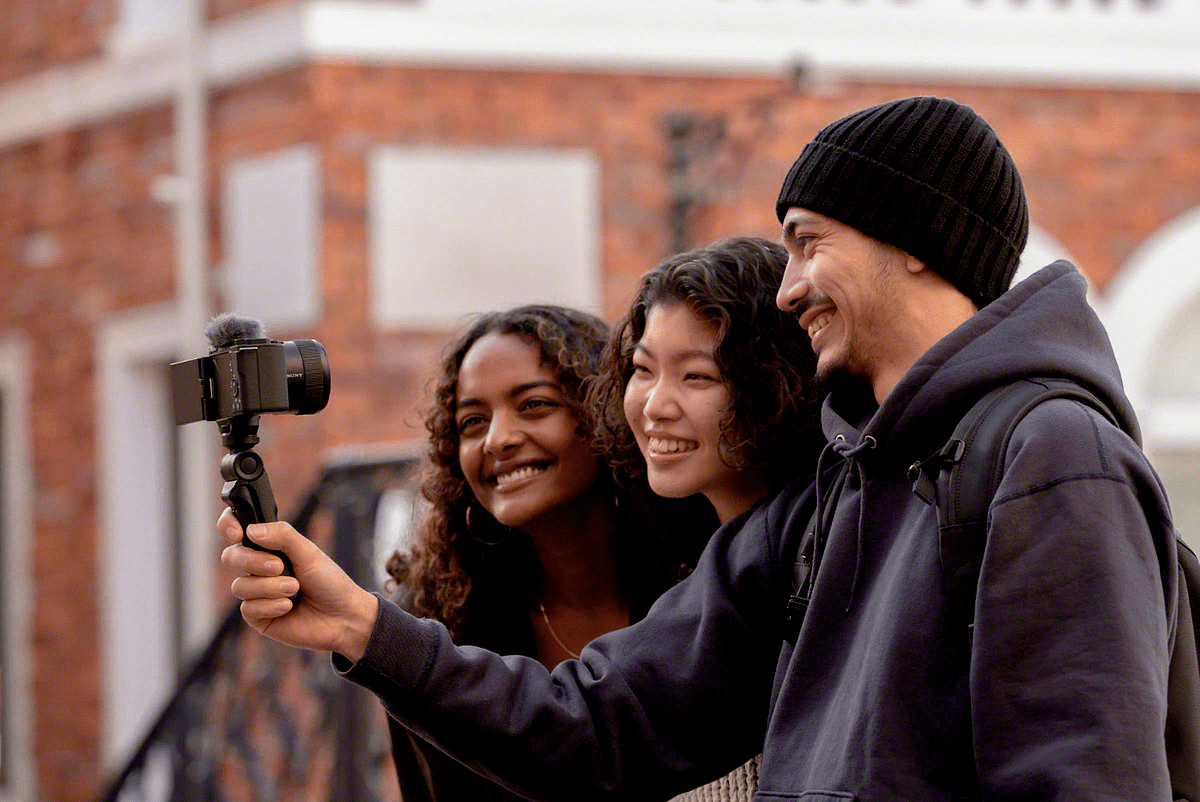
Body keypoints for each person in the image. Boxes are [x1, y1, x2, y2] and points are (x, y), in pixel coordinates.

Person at [220, 97, 1178, 801]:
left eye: (809, 243)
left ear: (915, 241)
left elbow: (1085, 781)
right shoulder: (829, 498)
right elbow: (600, 727)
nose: (790, 288)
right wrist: (359, 626)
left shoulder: (1054, 455)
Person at [377, 304, 714, 801]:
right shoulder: (435, 618)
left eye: (534, 405)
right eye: (473, 421)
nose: (497, 440)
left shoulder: (703, 575)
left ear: (605, 413)